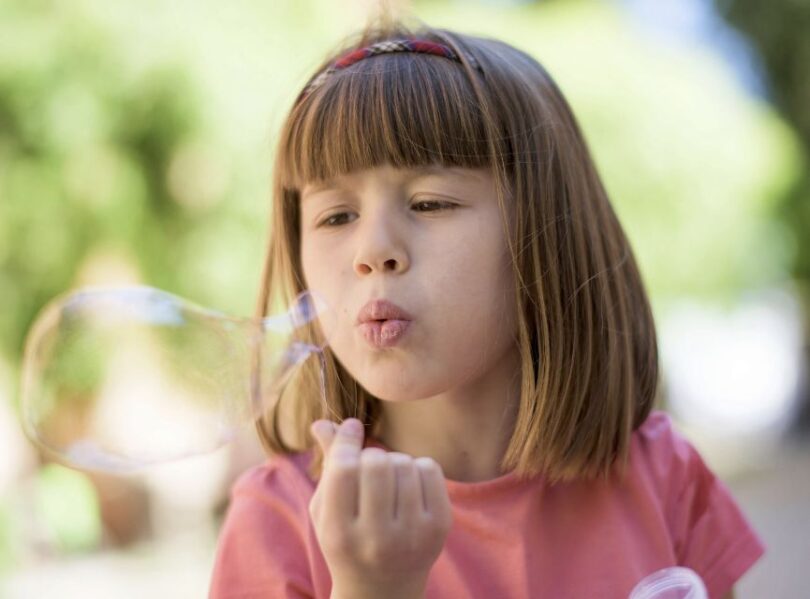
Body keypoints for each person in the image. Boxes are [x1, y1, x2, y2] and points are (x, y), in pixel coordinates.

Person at [209, 12, 765, 599]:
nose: (372, 251)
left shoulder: (661, 478)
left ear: (547, 237)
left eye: (430, 203)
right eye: (336, 216)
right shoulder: (283, 520)